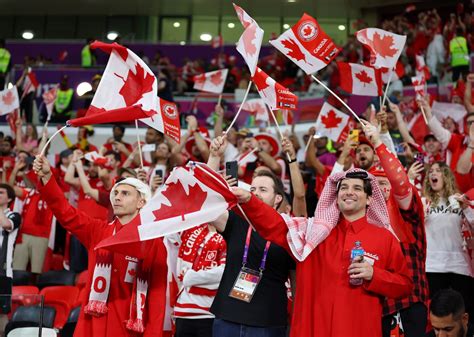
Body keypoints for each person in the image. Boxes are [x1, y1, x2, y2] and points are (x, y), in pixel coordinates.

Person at [230, 166, 413, 337]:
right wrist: (249, 200)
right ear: (336, 195)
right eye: (344, 188)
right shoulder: (311, 234)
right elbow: (275, 224)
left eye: (357, 188)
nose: (349, 192)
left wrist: (375, 275)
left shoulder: (385, 238)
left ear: (370, 198)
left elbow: (405, 286)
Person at [32, 154, 168, 337]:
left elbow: (157, 298)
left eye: (125, 193)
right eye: (116, 193)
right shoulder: (98, 231)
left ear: (141, 202)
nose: (117, 198)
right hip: (93, 324)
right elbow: (65, 212)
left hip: (130, 327)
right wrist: (47, 178)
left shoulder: (153, 242)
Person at [207, 136, 296, 337]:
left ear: (278, 198)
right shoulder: (237, 222)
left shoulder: (291, 231)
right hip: (227, 317)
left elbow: (296, 284)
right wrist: (214, 157)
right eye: (253, 189)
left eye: (263, 190)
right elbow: (206, 203)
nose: (255, 193)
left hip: (268, 322)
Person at [361, 120, 429, 337]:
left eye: (384, 183)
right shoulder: (366, 222)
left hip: (409, 303)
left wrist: (379, 143)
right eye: (375, 184)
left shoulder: (406, 213)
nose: (381, 188)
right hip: (377, 307)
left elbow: (400, 184)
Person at [422, 162, 474, 323]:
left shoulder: (458, 200)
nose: (433, 174)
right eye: (431, 171)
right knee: (436, 314)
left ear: (447, 176)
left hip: (459, 264)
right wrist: (420, 216)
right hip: (433, 264)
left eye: (438, 171)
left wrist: (466, 208)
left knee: (465, 312)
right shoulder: (424, 202)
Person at [173, 224, 227, 337]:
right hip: (182, 312)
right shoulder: (188, 231)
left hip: (208, 313)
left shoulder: (227, 236)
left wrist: (191, 277)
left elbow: (224, 274)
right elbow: (167, 226)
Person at [0, 183, 21, 334]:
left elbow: (7, 225)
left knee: (1, 313)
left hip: (3, 272)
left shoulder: (14, 215)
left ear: (9, 198)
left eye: (0, 193)